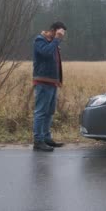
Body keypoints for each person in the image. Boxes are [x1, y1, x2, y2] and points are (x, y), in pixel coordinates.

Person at [32, 22, 67, 151]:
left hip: (52, 83)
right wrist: (56, 40)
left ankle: (46, 138)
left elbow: (56, 63)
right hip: (42, 82)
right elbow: (45, 53)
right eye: (59, 33)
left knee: (49, 112)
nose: (61, 36)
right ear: (52, 30)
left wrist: (59, 80)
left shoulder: (53, 43)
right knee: (41, 112)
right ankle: (38, 141)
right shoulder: (40, 40)